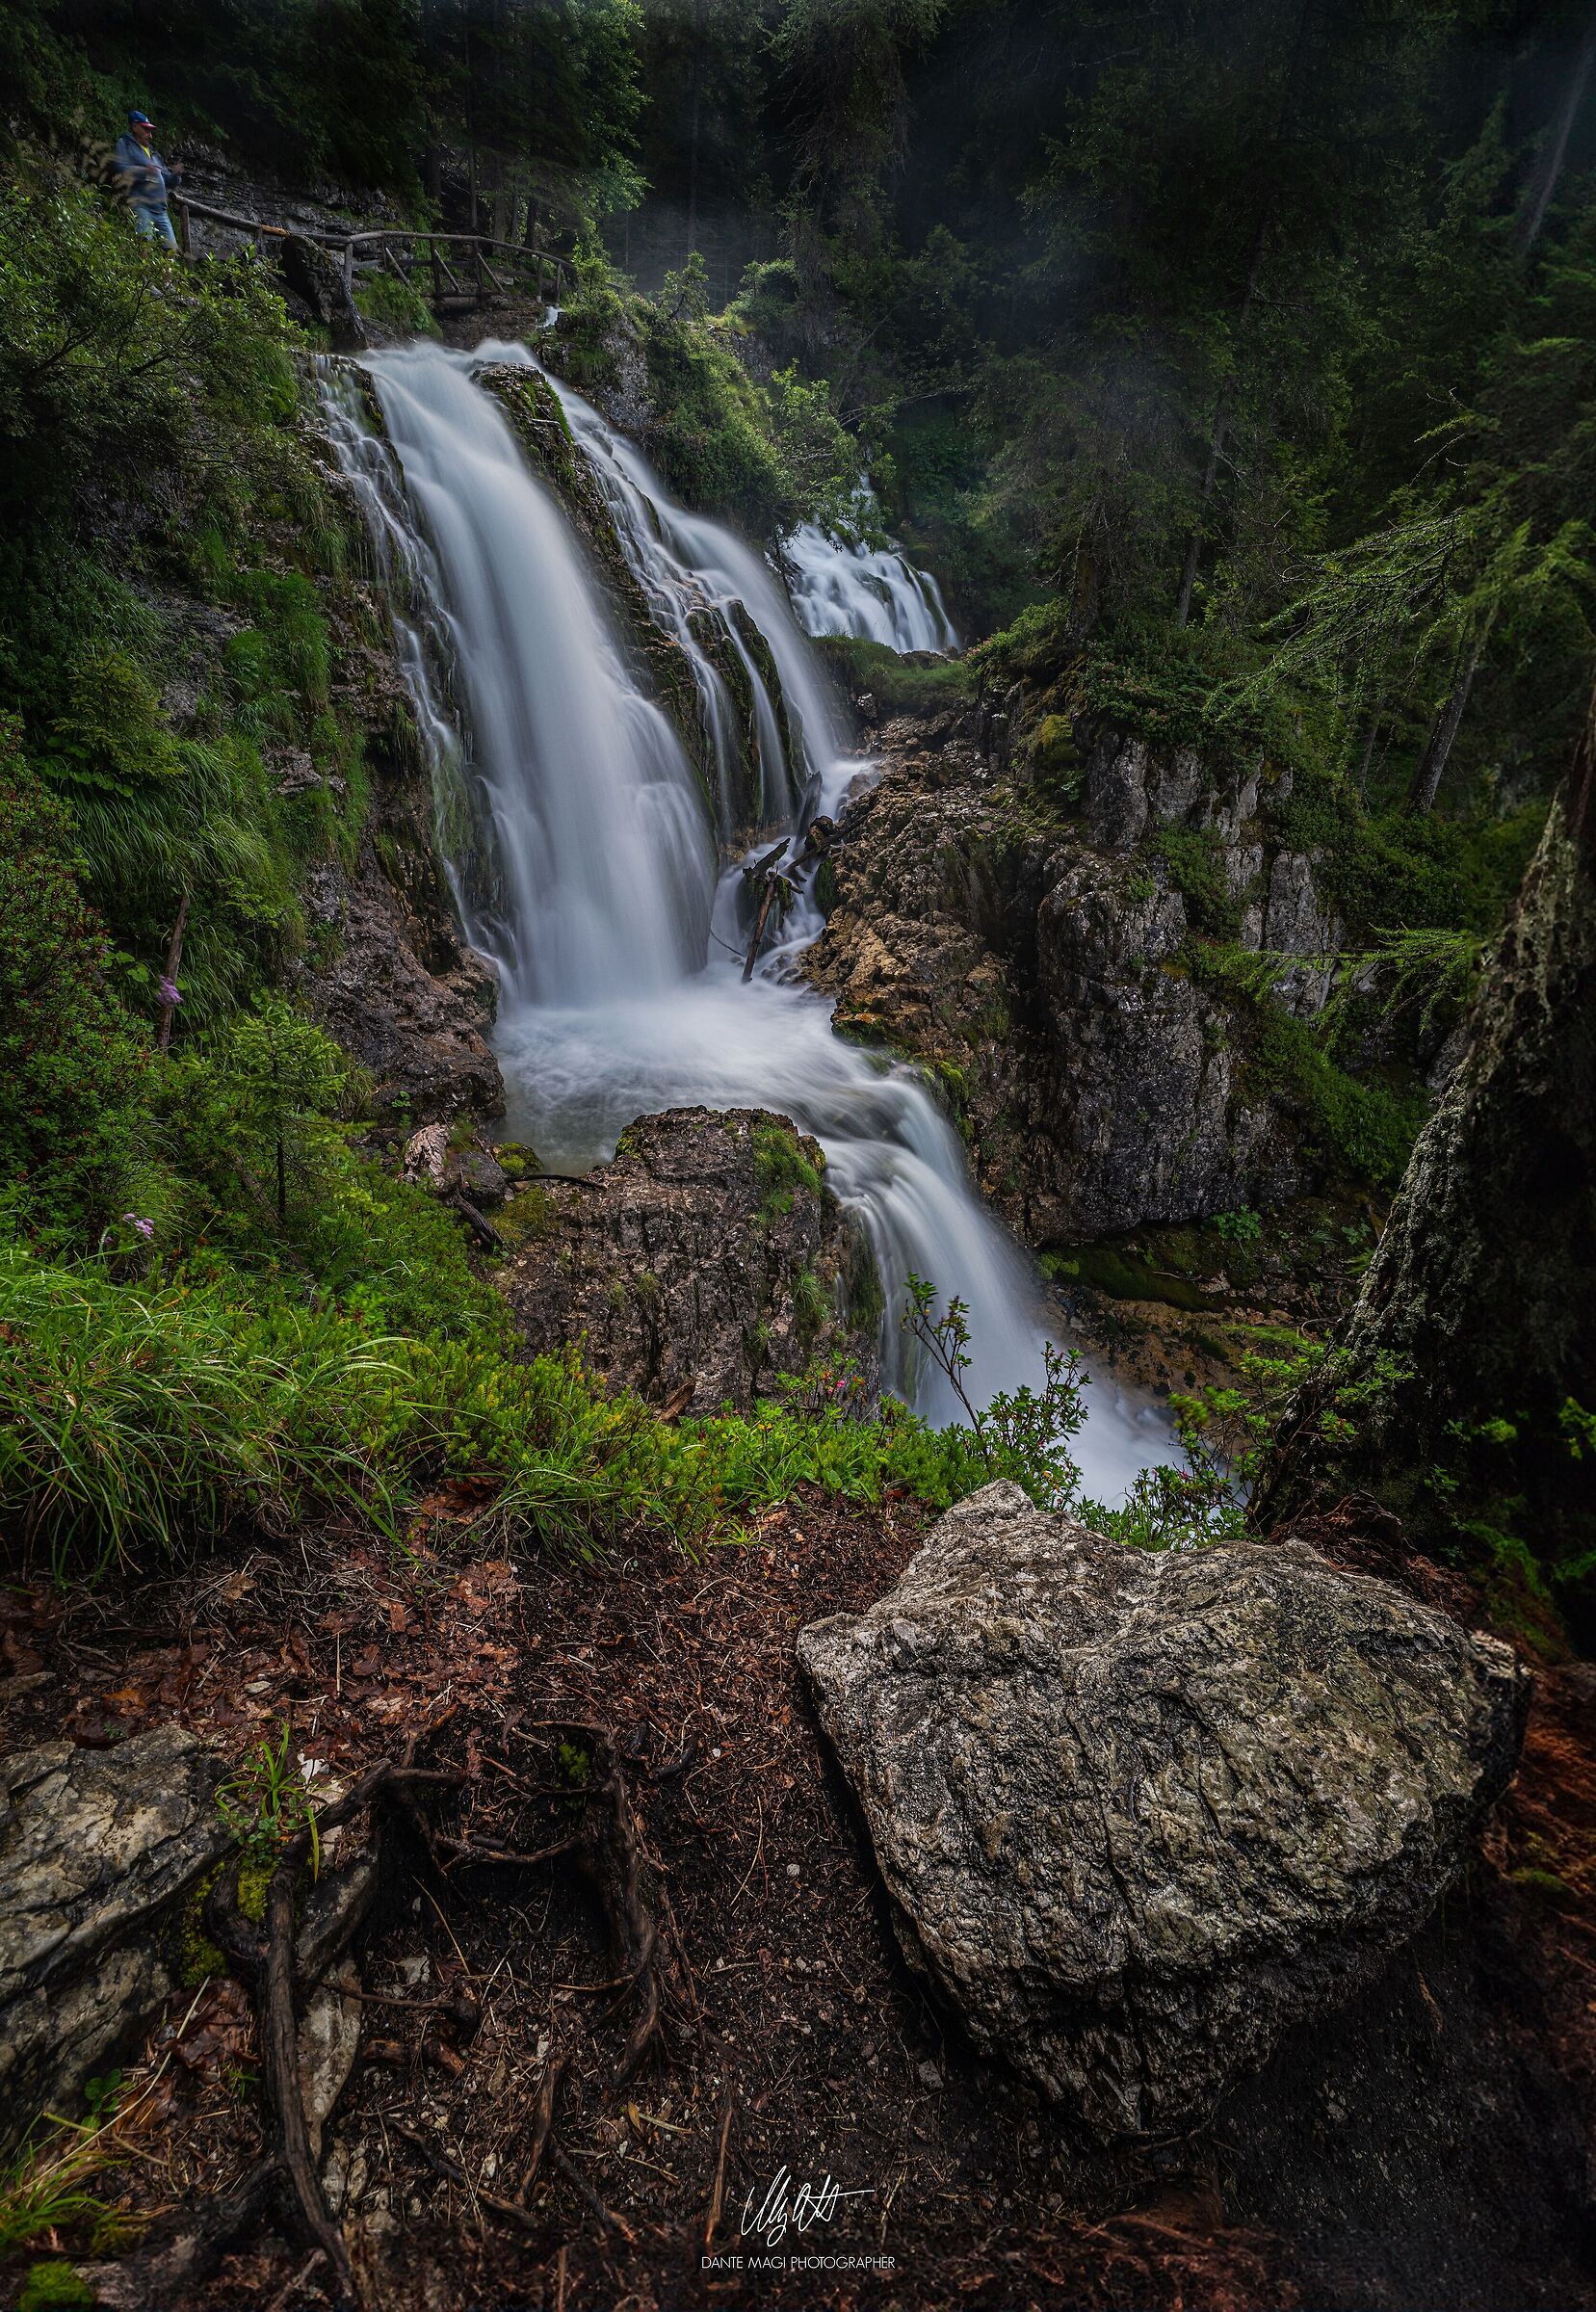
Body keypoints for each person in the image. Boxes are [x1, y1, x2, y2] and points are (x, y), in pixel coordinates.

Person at [113, 111, 182, 250]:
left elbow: (168, 180)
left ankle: (165, 272)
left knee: (171, 251)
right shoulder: (124, 144)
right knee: (144, 246)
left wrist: (175, 175)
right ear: (134, 127)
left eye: (150, 131)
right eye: (146, 130)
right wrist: (144, 171)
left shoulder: (154, 154)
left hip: (161, 210)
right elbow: (119, 169)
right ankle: (142, 271)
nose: (150, 135)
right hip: (141, 206)